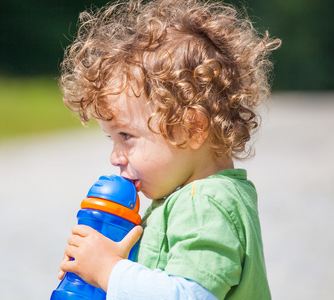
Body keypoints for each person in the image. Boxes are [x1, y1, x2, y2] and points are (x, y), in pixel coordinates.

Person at [57, 0, 281, 298]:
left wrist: (107, 270)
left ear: (192, 129)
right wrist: (96, 274)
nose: (115, 157)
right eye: (112, 139)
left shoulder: (205, 204)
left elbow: (190, 295)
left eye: (126, 135)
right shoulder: (185, 199)